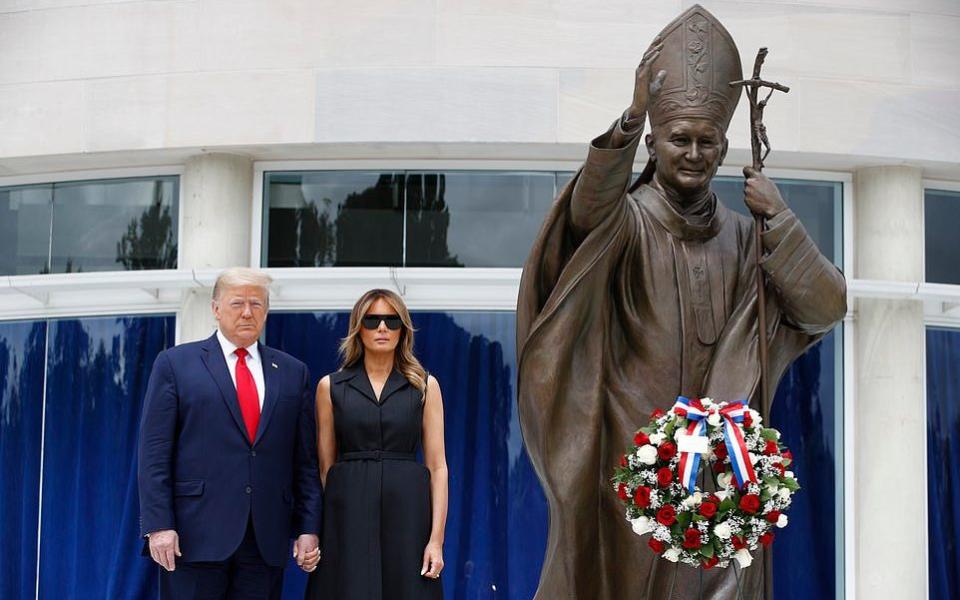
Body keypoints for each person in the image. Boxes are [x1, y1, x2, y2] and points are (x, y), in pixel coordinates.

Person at [515, 5, 846, 600]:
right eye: (679, 139)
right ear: (654, 142)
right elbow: (584, 218)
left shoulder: (749, 238)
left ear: (723, 150)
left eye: (706, 141)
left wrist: (782, 220)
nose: (693, 152)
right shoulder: (627, 221)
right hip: (630, 454)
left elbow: (824, 308)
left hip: (722, 465)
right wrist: (628, 119)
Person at [138, 267, 322, 599]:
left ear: (266, 311)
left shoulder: (293, 372)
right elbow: (154, 454)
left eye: (256, 304)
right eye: (237, 303)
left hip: (265, 538)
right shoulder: (176, 364)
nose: (248, 312)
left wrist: (308, 528)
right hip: (194, 536)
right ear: (216, 308)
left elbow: (305, 461)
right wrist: (158, 525)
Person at [305, 289, 448, 600]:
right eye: (372, 320)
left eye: (391, 321)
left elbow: (437, 467)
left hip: (408, 511)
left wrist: (435, 539)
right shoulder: (330, 387)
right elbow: (325, 466)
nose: (382, 328)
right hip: (348, 512)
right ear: (359, 328)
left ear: (403, 329)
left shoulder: (424, 385)